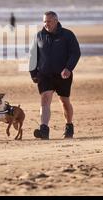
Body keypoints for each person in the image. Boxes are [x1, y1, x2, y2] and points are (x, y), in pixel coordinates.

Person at [29, 11, 81, 139]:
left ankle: (69, 126)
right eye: (45, 21)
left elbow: (75, 53)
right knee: (45, 99)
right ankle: (44, 129)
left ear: (56, 21)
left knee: (64, 101)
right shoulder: (38, 36)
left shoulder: (67, 35)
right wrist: (33, 73)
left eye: (49, 21)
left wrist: (68, 68)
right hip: (45, 75)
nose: (46, 24)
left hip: (63, 74)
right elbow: (32, 55)